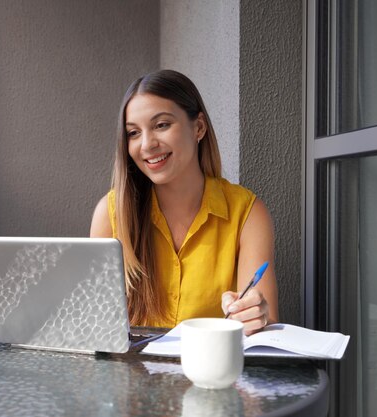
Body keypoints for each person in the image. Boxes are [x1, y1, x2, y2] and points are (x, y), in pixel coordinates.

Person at [90, 69, 278, 335]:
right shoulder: (109, 215)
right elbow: (94, 328)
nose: (146, 145)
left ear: (198, 127)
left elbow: (263, 331)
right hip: (130, 375)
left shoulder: (247, 213)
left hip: (213, 373)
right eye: (133, 133)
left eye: (161, 125)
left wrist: (254, 316)